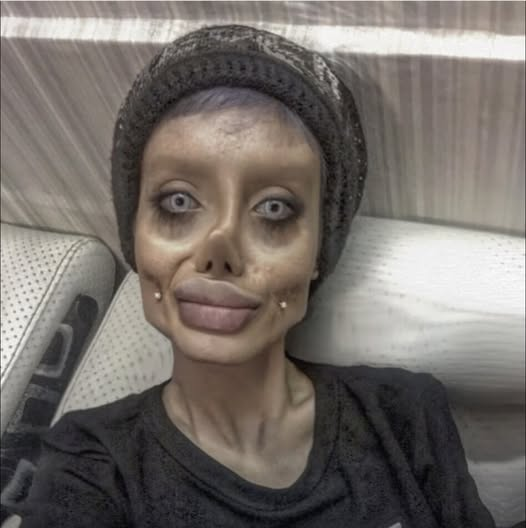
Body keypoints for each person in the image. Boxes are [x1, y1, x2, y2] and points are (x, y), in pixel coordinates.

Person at [13, 24, 496, 527]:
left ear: (319, 251)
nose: (218, 250)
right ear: (134, 235)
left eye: (273, 209)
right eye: (178, 202)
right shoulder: (90, 465)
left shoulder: (402, 415)